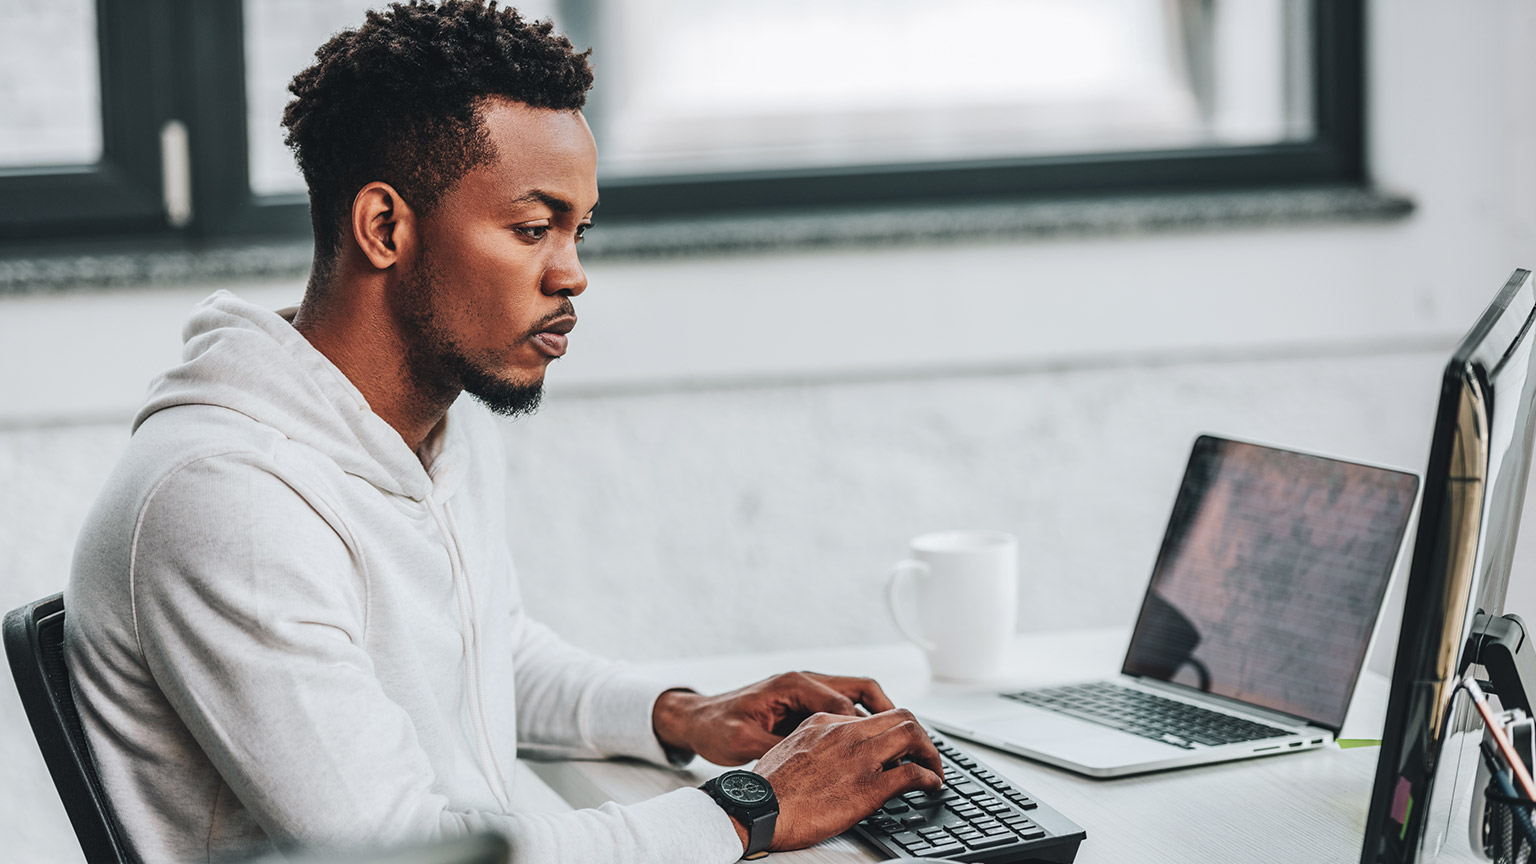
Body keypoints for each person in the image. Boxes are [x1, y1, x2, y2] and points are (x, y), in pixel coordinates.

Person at [63, 2, 945, 862]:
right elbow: (406, 853)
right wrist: (753, 807)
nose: (573, 274)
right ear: (385, 226)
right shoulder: (229, 501)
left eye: (578, 229)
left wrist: (681, 714)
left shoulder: (425, 420)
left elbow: (479, 654)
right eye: (532, 229)